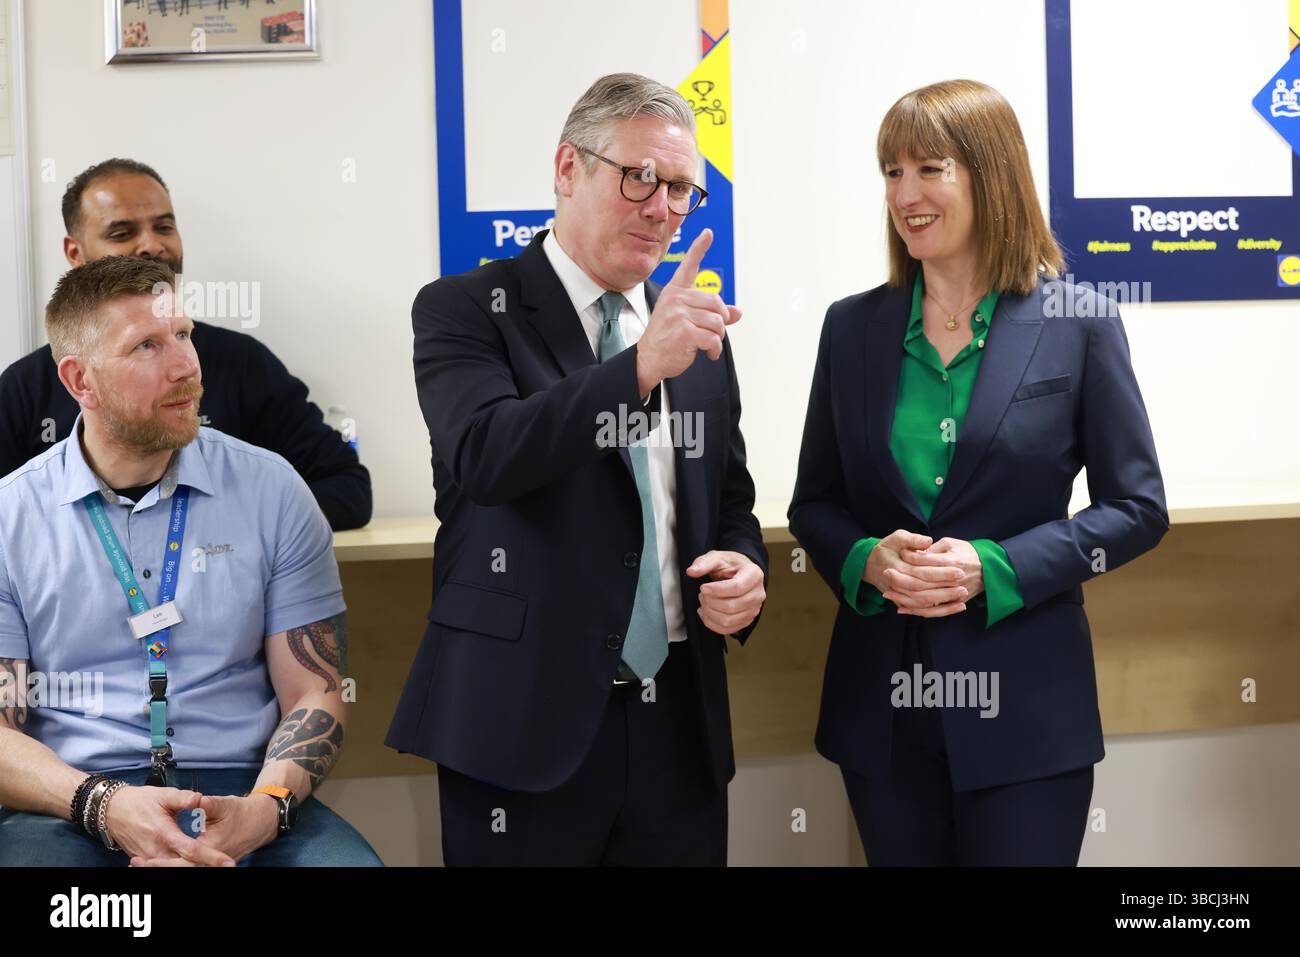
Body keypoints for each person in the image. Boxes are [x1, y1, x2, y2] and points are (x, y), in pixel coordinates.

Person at [386, 73, 768, 866]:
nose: (662, 207)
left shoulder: (689, 331)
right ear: (568, 169)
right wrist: (635, 369)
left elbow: (728, 498)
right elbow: (487, 455)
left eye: (681, 191)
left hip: (678, 727)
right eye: (640, 178)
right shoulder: (465, 308)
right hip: (521, 723)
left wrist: (744, 569)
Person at [788, 79, 1168, 866]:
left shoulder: (1080, 321)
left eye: (930, 168)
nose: (905, 193)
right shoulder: (851, 326)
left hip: (1028, 709)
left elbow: (1137, 506)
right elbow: (815, 502)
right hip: (883, 711)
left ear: (991, 177)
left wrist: (995, 565)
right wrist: (865, 559)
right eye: (891, 172)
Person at [0, 257, 381, 867]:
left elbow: (316, 689)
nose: (186, 365)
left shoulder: (273, 489)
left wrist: (265, 808)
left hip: (243, 787)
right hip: (74, 802)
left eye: (183, 334)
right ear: (81, 381)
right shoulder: (9, 517)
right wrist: (104, 804)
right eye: (147, 346)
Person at [0, 158, 372, 531]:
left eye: (164, 226)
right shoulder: (25, 388)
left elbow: (347, 488)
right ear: (75, 252)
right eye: (122, 232)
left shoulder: (241, 363)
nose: (152, 245)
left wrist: (238, 539)